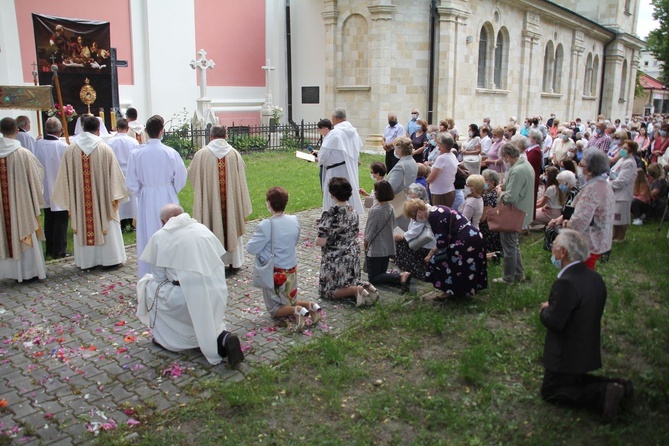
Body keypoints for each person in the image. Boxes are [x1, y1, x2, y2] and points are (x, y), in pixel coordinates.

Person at [539, 229, 632, 422]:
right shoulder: (593, 277)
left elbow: (555, 322)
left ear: (563, 252)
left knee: (551, 391)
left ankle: (603, 392)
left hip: (565, 354)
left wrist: (544, 310)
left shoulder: (565, 283)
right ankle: (617, 385)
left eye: (554, 246)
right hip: (586, 349)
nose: (551, 250)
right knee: (574, 381)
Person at [136, 204, 244, 368]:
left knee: (148, 286)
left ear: (163, 221)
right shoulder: (202, 229)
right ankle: (221, 339)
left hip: (186, 297)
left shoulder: (160, 237)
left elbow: (159, 277)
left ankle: (167, 339)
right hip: (215, 291)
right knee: (204, 315)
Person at [52, 116, 129, 270]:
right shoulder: (104, 148)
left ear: (82, 128)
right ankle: (110, 259)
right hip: (103, 202)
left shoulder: (71, 149)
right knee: (107, 221)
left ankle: (87, 261)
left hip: (81, 204)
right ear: (98, 130)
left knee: (84, 222)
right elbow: (115, 177)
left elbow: (64, 178)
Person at [246, 187, 322, 331]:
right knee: (289, 299)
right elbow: (295, 240)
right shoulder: (293, 220)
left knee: (274, 309)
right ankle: (311, 306)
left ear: (269, 203)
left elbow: (251, 248)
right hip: (291, 267)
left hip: (275, 271)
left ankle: (297, 310)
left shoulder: (266, 225)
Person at [126, 115, 187, 277]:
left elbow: (131, 182)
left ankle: (148, 274)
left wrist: (143, 192)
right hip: (167, 196)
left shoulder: (137, 154)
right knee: (170, 233)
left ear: (146, 131)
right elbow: (181, 177)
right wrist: (170, 189)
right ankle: (171, 272)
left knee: (148, 234)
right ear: (162, 131)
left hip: (147, 198)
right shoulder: (170, 153)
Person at [188, 125, 252, 270]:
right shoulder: (234, 154)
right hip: (230, 203)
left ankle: (213, 262)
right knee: (231, 220)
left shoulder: (201, 154)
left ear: (210, 136)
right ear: (226, 136)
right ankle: (234, 261)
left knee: (211, 223)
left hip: (210, 203)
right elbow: (241, 177)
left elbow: (192, 175)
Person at [404, 199, 487, 300]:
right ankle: (465, 289)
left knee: (440, 262)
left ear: (419, 212)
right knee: (467, 266)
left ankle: (449, 290)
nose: (414, 220)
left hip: (465, 240)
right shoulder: (436, 209)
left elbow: (441, 242)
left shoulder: (433, 217)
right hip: (472, 236)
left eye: (413, 217)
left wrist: (430, 254)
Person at [548, 149, 614, 270]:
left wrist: (567, 224)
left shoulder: (593, 189)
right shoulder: (604, 184)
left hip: (590, 241)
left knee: (581, 274)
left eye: (581, 165)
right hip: (600, 237)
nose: (579, 168)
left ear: (590, 169)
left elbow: (581, 220)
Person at [316, 177, 376, 307]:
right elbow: (354, 232)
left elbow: (320, 241)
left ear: (332, 194)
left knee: (326, 291)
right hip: (352, 254)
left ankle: (357, 290)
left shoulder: (331, 213)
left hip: (336, 258)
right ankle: (366, 287)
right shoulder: (353, 211)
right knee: (346, 282)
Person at [0, 117, 46, 282]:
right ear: (17, 131)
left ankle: (8, 272)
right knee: (24, 227)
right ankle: (28, 271)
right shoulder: (23, 154)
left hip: (3, 207)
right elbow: (37, 176)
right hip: (22, 205)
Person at [492, 143, 535, 285]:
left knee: (509, 246)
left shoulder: (517, 170)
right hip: (522, 210)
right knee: (513, 244)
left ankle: (508, 277)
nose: (504, 161)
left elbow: (510, 197)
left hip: (514, 212)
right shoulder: (525, 165)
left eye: (503, 158)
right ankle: (519, 273)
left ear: (507, 156)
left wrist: (500, 192)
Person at [364, 180, 412, 292]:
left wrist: (365, 244)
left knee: (373, 278)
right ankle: (399, 280)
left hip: (376, 248)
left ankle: (400, 276)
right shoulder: (390, 207)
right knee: (381, 274)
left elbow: (369, 232)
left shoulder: (375, 211)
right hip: (387, 246)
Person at [33, 117, 69, 259]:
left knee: (49, 218)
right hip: (59, 186)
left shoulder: (38, 144)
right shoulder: (63, 147)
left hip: (45, 186)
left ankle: (49, 248)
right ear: (60, 131)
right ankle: (59, 250)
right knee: (61, 219)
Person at [317, 108, 364, 215]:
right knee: (347, 193)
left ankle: (332, 216)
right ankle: (349, 216)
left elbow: (324, 153)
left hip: (335, 171)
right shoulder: (354, 133)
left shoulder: (335, 133)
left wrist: (319, 159)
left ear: (335, 118)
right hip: (349, 169)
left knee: (334, 193)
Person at [393, 183, 435, 281]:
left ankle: (409, 269)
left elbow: (415, 231)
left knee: (401, 244)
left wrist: (403, 236)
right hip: (423, 240)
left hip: (424, 242)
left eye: (410, 194)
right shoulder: (422, 206)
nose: (408, 195)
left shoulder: (420, 212)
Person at [107, 118, 139, 233]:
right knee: (131, 199)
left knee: (120, 196)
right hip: (130, 170)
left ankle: (121, 223)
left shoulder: (111, 142)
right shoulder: (133, 142)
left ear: (117, 128)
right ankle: (132, 222)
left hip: (117, 170)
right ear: (127, 128)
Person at [386, 136, 418, 230]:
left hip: (398, 200)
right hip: (408, 196)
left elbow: (391, 187)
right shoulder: (412, 161)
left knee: (397, 229)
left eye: (395, 147)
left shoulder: (401, 166)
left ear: (399, 149)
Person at [609, 140, 637, 242]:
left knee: (622, 218)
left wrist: (608, 185)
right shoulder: (622, 159)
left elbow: (622, 180)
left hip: (623, 194)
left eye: (625, 148)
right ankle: (615, 235)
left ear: (631, 151)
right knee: (615, 218)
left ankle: (621, 237)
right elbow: (612, 172)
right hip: (615, 192)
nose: (622, 150)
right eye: (622, 147)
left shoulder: (629, 163)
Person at [426, 133, 458, 206]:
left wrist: (427, 180)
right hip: (449, 190)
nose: (437, 144)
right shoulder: (452, 155)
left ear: (442, 146)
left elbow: (432, 177)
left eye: (438, 143)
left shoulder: (442, 158)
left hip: (440, 193)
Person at [480, 169, 502, 257]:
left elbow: (483, 217)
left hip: (488, 229)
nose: (483, 182)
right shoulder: (493, 192)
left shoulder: (489, 196)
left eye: (485, 180)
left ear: (492, 182)